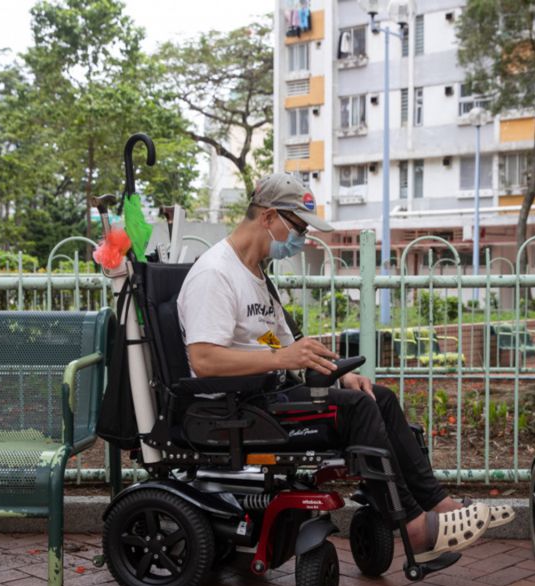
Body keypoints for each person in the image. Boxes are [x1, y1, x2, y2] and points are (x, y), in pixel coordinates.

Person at [177, 173, 514, 561]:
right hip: (235, 409)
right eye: (298, 227)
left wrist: (338, 371)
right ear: (269, 217)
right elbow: (204, 359)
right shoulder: (215, 274)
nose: (301, 239)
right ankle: (414, 529)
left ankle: (439, 505)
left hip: (266, 395)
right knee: (356, 411)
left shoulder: (256, 275)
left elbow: (276, 342)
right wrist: (281, 359)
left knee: (377, 396)